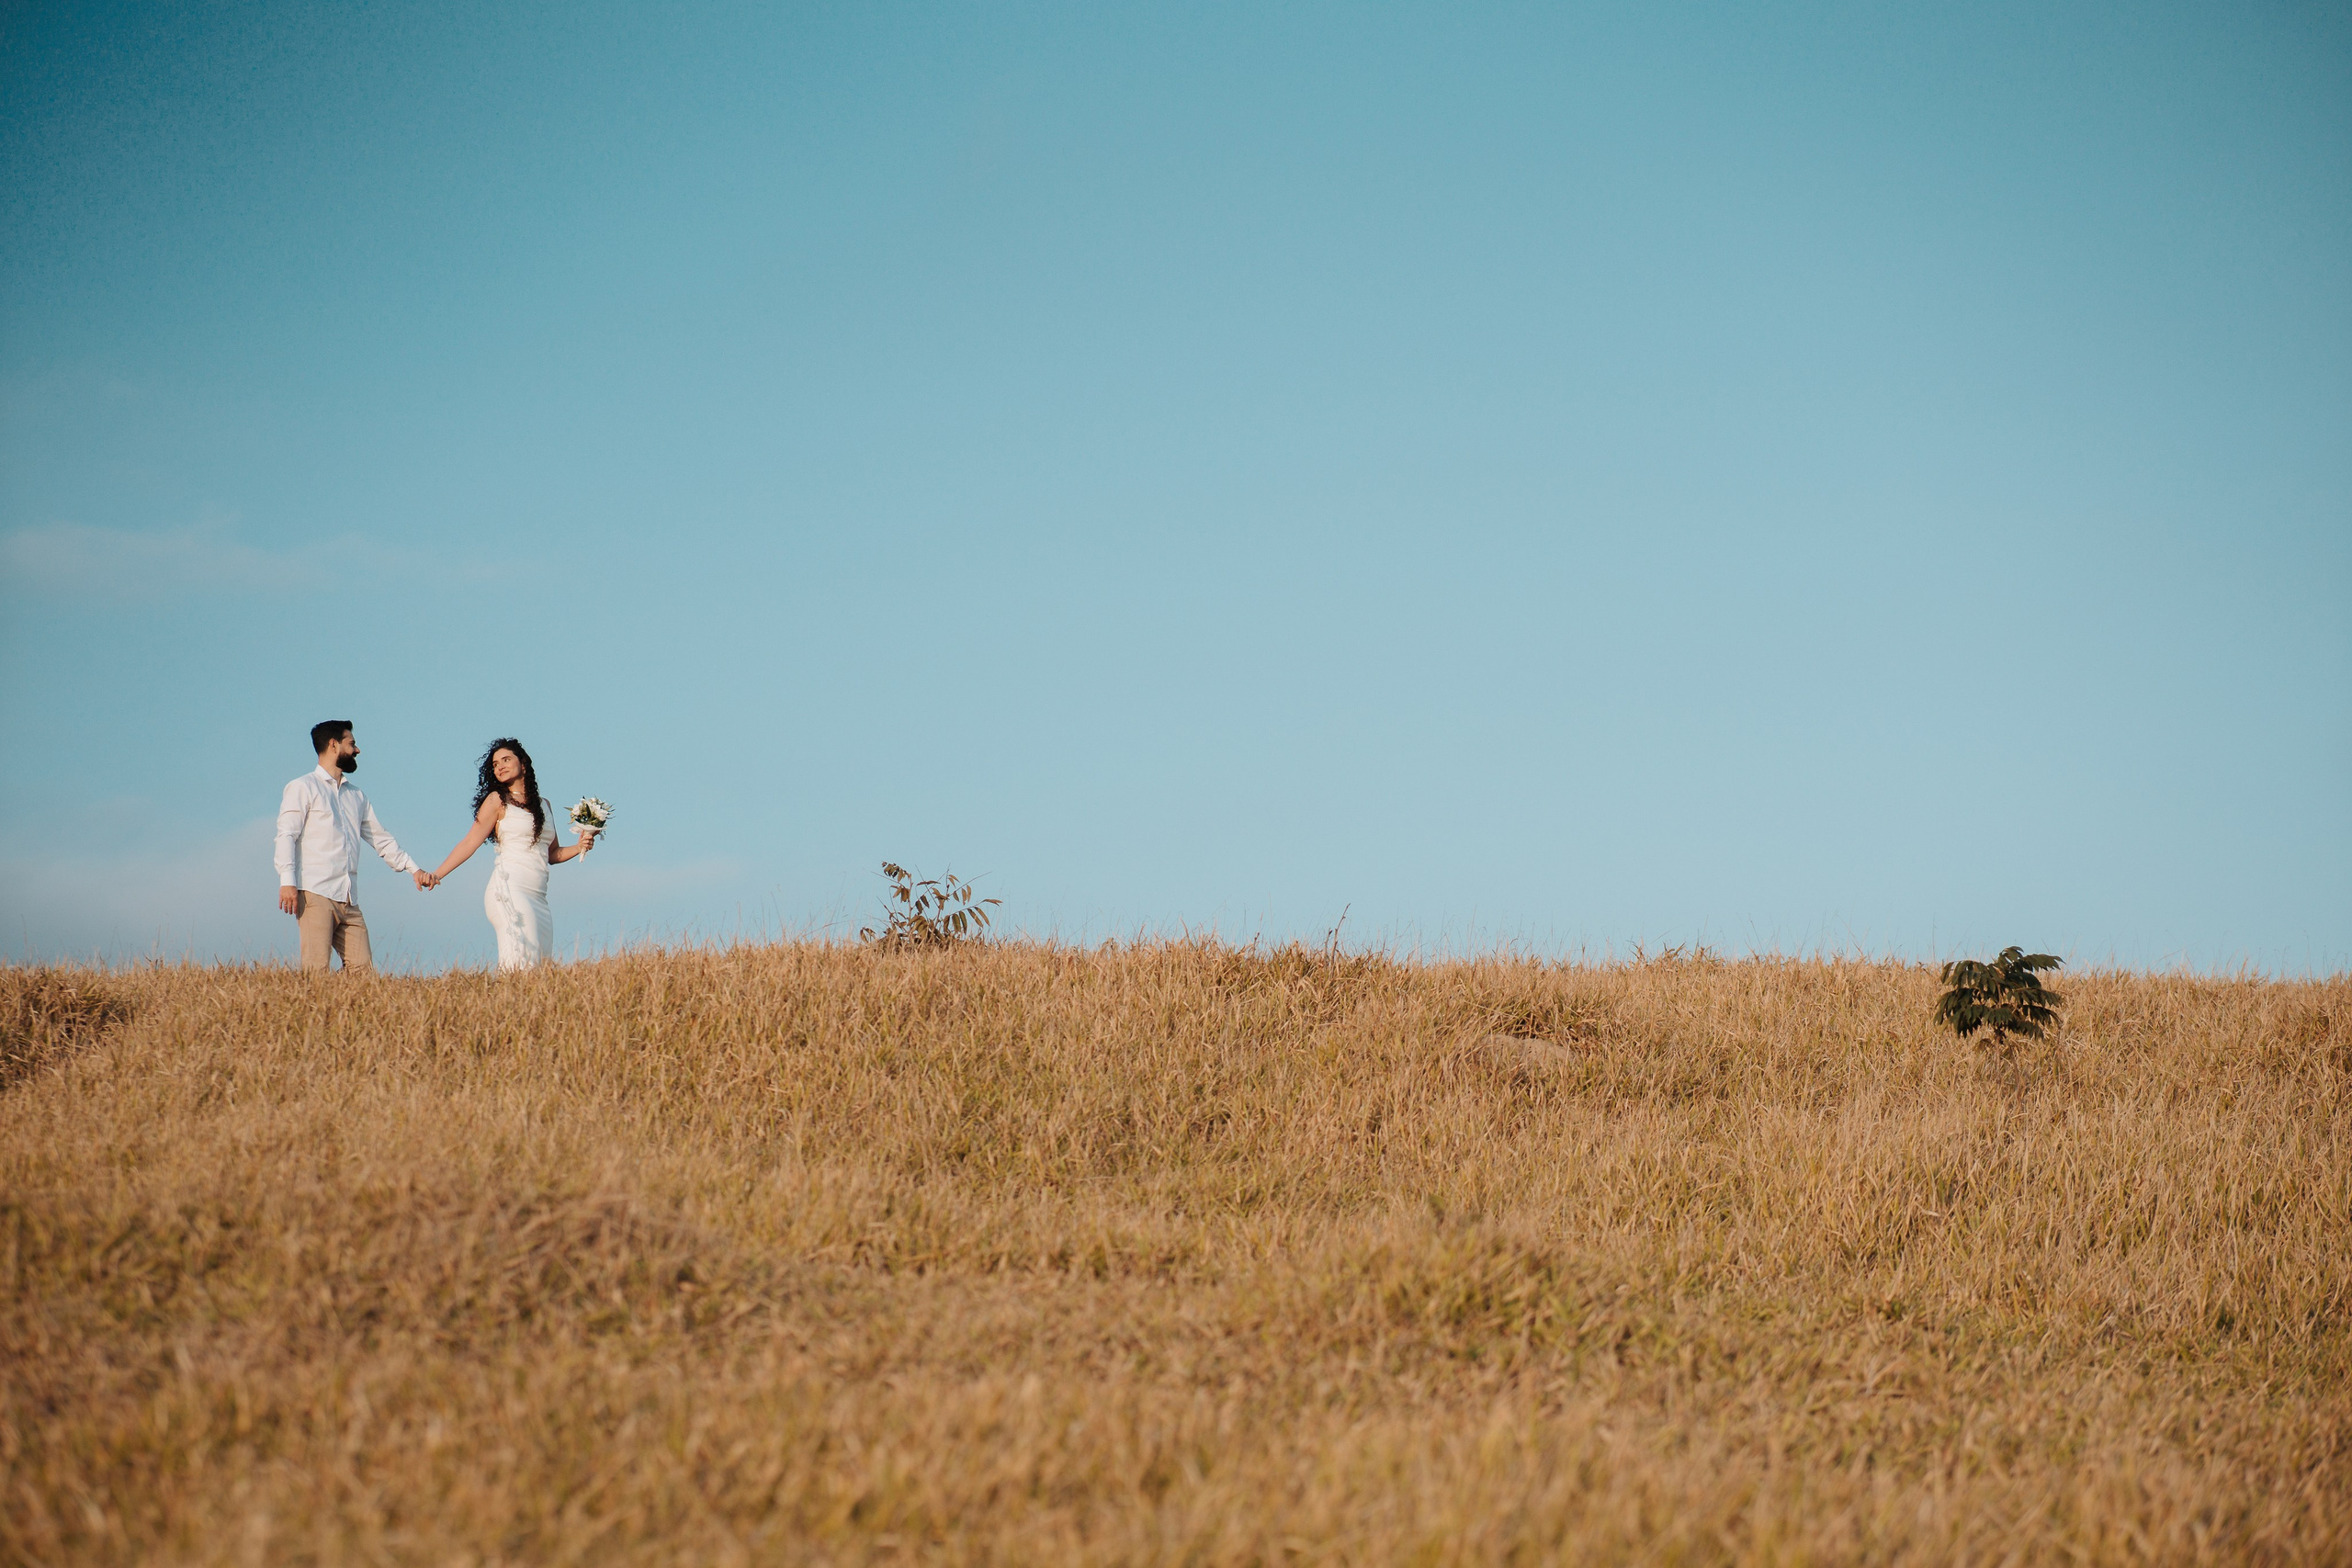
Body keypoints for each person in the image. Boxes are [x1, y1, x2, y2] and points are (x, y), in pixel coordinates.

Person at [275, 719, 435, 973]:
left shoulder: (356, 796)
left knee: (363, 973)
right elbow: (286, 835)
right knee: (316, 972)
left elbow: (380, 838)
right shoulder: (303, 787)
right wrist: (287, 881)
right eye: (352, 744)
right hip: (315, 893)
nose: (357, 750)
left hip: (349, 898)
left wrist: (413, 869)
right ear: (334, 745)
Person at [425, 738, 596, 971]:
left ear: (523, 764)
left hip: (539, 897)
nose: (500, 766)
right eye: (495, 764)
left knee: (540, 967)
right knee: (520, 964)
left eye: (506, 760)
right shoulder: (497, 801)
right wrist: (437, 874)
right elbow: (469, 842)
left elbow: (552, 853)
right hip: (509, 890)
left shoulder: (544, 805)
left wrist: (580, 846)